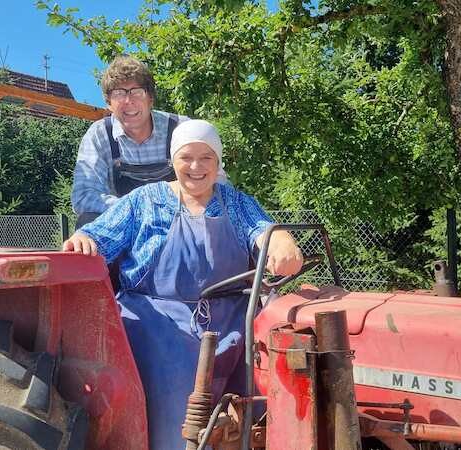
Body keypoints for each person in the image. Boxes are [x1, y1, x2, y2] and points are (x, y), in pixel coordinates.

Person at [62, 119, 303, 449]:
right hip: (156, 327)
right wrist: (83, 239)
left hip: (232, 323)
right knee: (177, 423)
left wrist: (282, 243)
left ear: (218, 163)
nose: (196, 166)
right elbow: (98, 236)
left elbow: (264, 231)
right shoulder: (143, 201)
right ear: (172, 161)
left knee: (254, 408)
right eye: (186, 157)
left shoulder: (236, 202)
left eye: (206, 157)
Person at [71, 55, 228, 228]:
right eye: (118, 93)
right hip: (125, 225)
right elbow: (84, 195)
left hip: (181, 222)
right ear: (109, 103)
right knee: (86, 222)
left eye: (137, 92)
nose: (128, 101)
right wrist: (138, 210)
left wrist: (183, 211)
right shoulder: (100, 134)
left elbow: (217, 181)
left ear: (150, 98)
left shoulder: (181, 128)